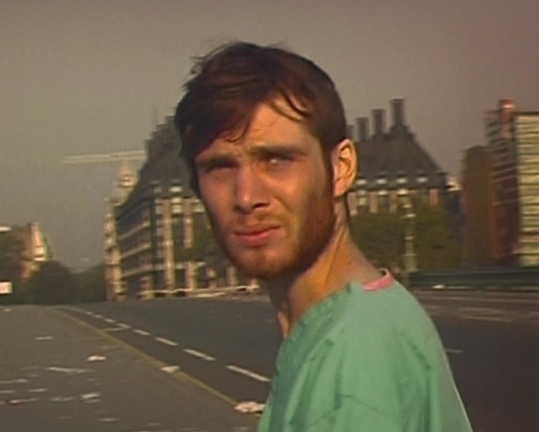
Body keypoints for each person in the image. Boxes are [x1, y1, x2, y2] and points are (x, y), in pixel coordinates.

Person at [174, 42, 472, 431]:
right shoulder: (363, 319)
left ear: (342, 168)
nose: (247, 197)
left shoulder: (350, 367)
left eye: (277, 160)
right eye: (219, 168)